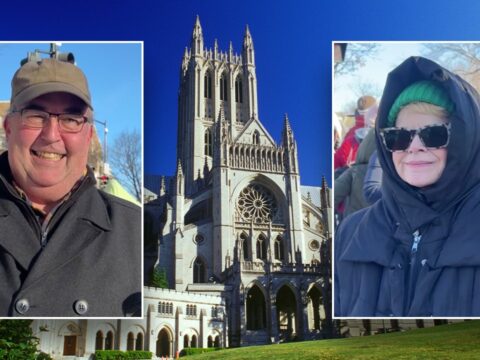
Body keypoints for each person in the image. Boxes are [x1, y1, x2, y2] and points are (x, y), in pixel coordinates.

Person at [335, 56, 480, 317]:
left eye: (434, 133)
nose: (414, 147)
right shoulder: (350, 234)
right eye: (398, 137)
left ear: (464, 139)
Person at [0, 56, 141, 317]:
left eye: (71, 119)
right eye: (35, 115)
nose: (52, 134)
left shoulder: (133, 230)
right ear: (8, 128)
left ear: (88, 135)